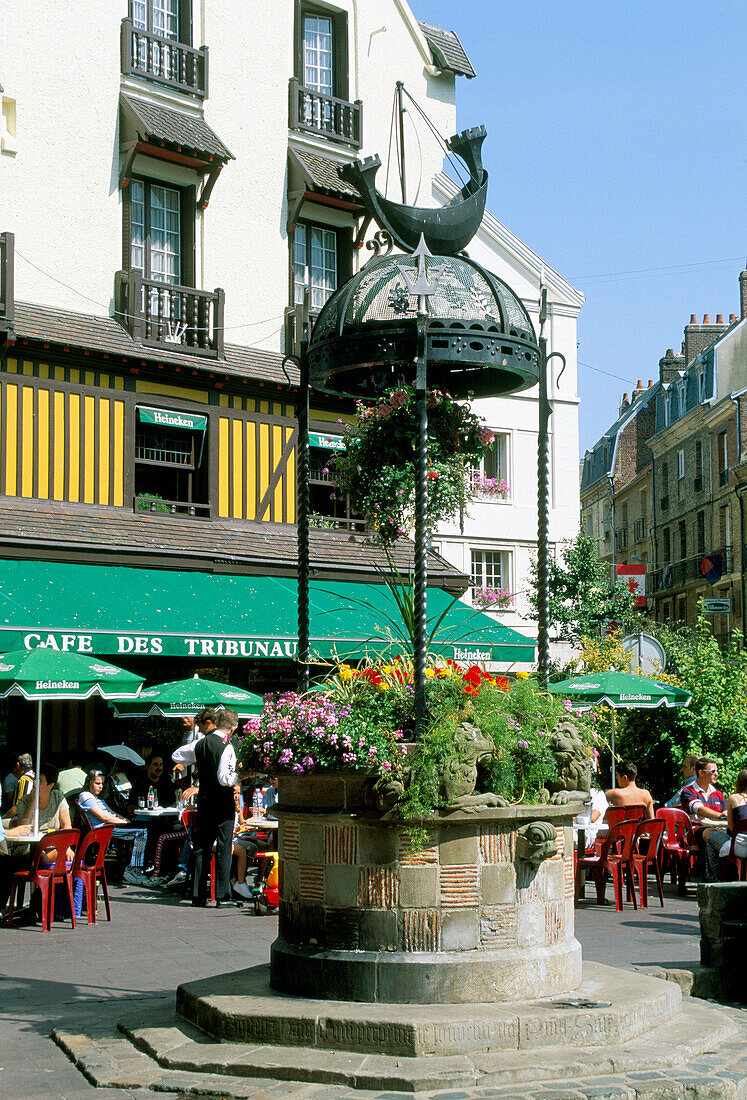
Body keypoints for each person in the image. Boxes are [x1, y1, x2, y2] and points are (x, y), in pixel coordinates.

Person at [172, 708, 241, 907]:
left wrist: (193, 761)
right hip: (223, 801)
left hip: (204, 801)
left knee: (201, 847)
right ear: (233, 727)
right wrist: (240, 776)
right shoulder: (230, 743)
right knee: (224, 846)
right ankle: (222, 895)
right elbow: (226, 779)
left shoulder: (201, 743)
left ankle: (198, 894)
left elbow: (177, 755)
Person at [77, 769, 150, 885]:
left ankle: (135, 866)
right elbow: (104, 817)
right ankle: (132, 870)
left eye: (102, 784)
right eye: (97, 783)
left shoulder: (98, 799)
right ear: (89, 782)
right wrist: (123, 823)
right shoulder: (85, 796)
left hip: (111, 825)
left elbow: (112, 812)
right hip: (104, 829)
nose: (100, 786)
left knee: (143, 826)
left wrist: (125, 820)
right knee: (142, 832)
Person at [703, 769, 747, 882]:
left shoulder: (733, 798)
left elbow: (732, 828)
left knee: (711, 837)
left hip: (740, 846)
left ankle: (714, 878)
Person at [680, 758, 726, 823]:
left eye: (717, 771)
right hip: (696, 829)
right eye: (713, 771)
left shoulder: (719, 794)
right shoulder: (688, 791)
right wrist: (719, 815)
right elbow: (699, 809)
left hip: (718, 829)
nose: (716, 774)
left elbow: (726, 812)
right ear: (701, 773)